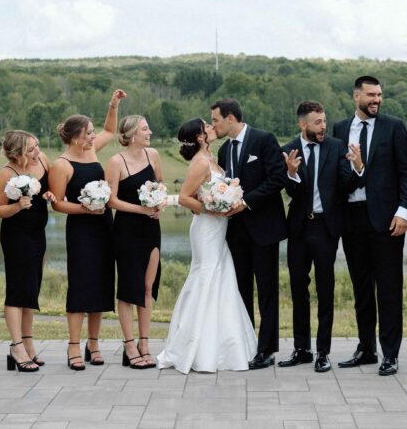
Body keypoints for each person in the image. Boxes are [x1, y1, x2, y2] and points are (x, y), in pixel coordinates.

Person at [156, 118, 258, 373]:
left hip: (219, 227)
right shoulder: (201, 162)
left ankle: (224, 346)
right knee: (206, 276)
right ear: (201, 137)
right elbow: (183, 197)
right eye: (208, 126)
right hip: (206, 228)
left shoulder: (212, 158)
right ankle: (195, 348)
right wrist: (211, 210)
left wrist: (227, 200)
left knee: (222, 277)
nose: (212, 128)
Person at [332, 76, 407, 376]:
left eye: (379, 95)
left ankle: (390, 354)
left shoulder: (394, 126)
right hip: (352, 219)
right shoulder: (341, 129)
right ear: (356, 96)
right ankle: (366, 348)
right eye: (370, 95)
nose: (376, 100)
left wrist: (404, 212)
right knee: (362, 288)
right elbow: (339, 173)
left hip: (387, 219)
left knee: (389, 289)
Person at [279, 101, 363, 372]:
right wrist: (291, 174)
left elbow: (346, 186)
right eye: (317, 122)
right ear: (303, 124)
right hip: (299, 229)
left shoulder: (336, 147)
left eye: (324, 121)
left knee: (325, 290)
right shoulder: (287, 150)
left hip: (326, 229)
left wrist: (358, 168)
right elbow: (293, 193)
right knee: (297, 289)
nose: (323, 127)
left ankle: (323, 352)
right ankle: (301, 348)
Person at [48, 89, 126, 370]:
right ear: (75, 137)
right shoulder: (61, 165)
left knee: (101, 283)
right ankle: (72, 346)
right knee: (81, 285)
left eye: (92, 133)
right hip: (81, 230)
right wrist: (85, 209)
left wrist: (113, 104)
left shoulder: (92, 151)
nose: (94, 137)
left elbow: (109, 129)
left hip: (104, 226)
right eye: (88, 133)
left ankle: (94, 344)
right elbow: (57, 204)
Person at [211, 98, 287, 369]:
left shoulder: (264, 140)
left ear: (231, 118)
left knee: (267, 291)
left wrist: (245, 202)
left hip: (263, 227)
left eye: (216, 120)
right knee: (241, 290)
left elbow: (278, 178)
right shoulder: (223, 151)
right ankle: (246, 343)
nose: (213, 126)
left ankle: (267, 350)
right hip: (235, 231)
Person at [106, 115, 166, 370]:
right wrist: (141, 210)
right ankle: (129, 345)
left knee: (147, 287)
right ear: (131, 134)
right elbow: (111, 200)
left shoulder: (153, 155)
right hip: (127, 230)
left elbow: (161, 185)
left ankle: (145, 343)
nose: (149, 132)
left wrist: (159, 203)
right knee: (129, 288)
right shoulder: (115, 162)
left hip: (152, 228)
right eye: (144, 129)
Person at [0, 130, 54, 372]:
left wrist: (49, 195)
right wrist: (17, 206)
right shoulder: (7, 173)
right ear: (17, 153)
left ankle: (28, 342)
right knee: (17, 289)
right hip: (16, 236)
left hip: (38, 234)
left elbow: (51, 192)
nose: (36, 151)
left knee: (32, 288)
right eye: (30, 149)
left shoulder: (43, 161)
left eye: (37, 146)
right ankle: (16, 346)